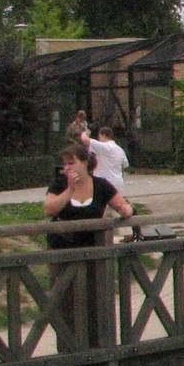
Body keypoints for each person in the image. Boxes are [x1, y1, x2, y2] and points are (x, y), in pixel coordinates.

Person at [43, 143, 133, 349]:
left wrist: (126, 211)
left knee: (94, 300)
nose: (67, 168)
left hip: (94, 252)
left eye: (71, 163)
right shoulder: (58, 184)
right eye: (64, 164)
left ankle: (97, 347)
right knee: (65, 302)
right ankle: (67, 350)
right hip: (63, 252)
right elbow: (48, 209)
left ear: (85, 162)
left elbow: (121, 205)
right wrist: (69, 190)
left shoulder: (101, 185)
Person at [88, 125, 130, 195]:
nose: (99, 138)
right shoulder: (120, 149)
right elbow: (124, 165)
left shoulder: (103, 146)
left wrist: (85, 132)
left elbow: (85, 140)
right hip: (117, 183)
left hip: (103, 182)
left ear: (103, 135)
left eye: (99, 136)